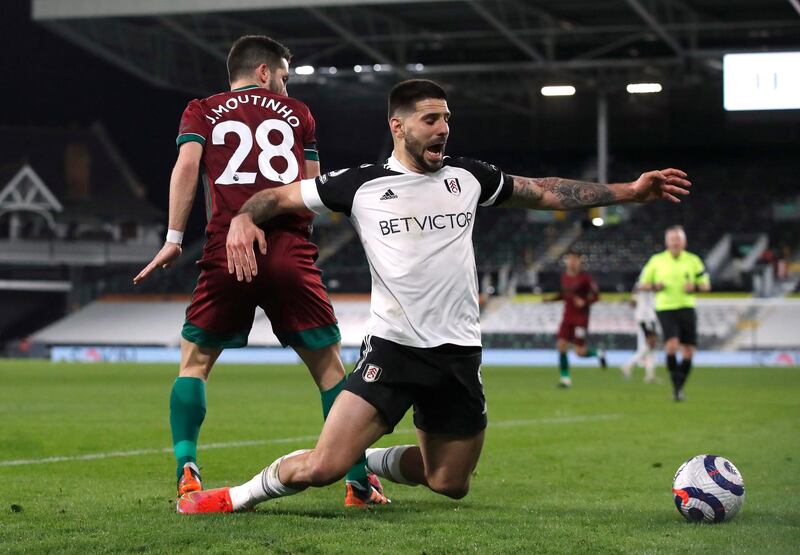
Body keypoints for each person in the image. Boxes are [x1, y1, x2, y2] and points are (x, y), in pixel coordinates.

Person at [176, 79, 691, 514]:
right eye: (430, 119)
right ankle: (228, 498)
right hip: (393, 350)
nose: (443, 128)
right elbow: (279, 195)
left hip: (458, 353)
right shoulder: (360, 185)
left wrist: (629, 190)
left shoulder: (468, 177)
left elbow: (543, 190)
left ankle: (371, 459)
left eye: (446, 118)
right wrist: (243, 217)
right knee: (323, 468)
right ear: (398, 127)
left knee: (451, 484)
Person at [132, 35, 387, 506]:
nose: (287, 89)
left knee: (195, 363)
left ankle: (187, 467)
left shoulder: (201, 110)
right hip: (289, 249)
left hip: (225, 249)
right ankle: (357, 482)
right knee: (331, 372)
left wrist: (172, 239)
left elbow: (186, 168)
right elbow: (313, 187)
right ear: (266, 73)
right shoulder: (300, 116)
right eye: (285, 79)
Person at [639, 225, 710, 401]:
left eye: (678, 239)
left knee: (688, 351)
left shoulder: (693, 261)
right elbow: (643, 284)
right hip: (665, 308)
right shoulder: (656, 260)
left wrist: (694, 287)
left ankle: (678, 389)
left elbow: (706, 286)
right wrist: (656, 286)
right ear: (667, 242)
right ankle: (676, 387)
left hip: (687, 307)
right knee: (671, 345)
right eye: (672, 239)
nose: (675, 242)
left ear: (684, 241)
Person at [545, 251, 606, 388]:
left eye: (574, 259)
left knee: (579, 352)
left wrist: (585, 301)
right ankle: (565, 379)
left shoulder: (586, 278)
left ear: (579, 261)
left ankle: (599, 353)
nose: (571, 262)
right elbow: (563, 294)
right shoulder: (564, 277)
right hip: (567, 318)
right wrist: (551, 299)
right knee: (561, 346)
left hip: (581, 319)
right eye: (569, 259)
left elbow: (597, 297)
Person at [621, 283, 659, 382]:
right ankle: (628, 365)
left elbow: (632, 303)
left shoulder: (639, 284)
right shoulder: (647, 283)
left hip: (644, 316)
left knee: (650, 345)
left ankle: (650, 375)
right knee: (651, 344)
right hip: (647, 316)